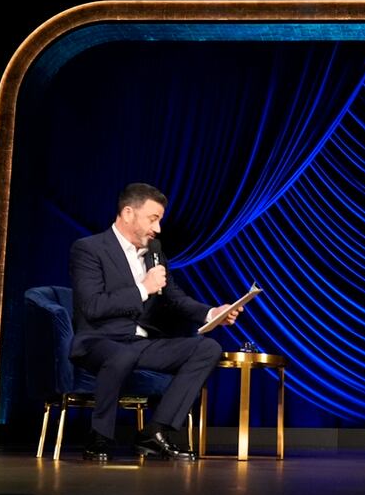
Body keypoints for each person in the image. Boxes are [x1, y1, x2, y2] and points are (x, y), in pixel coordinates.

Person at [70, 183, 242, 462]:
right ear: (128, 213)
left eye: (159, 220)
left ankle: (156, 431)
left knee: (207, 348)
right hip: (99, 341)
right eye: (153, 219)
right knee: (122, 354)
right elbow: (92, 306)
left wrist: (212, 313)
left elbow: (174, 297)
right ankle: (99, 435)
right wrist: (143, 289)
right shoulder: (89, 249)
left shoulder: (154, 253)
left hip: (140, 343)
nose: (158, 229)